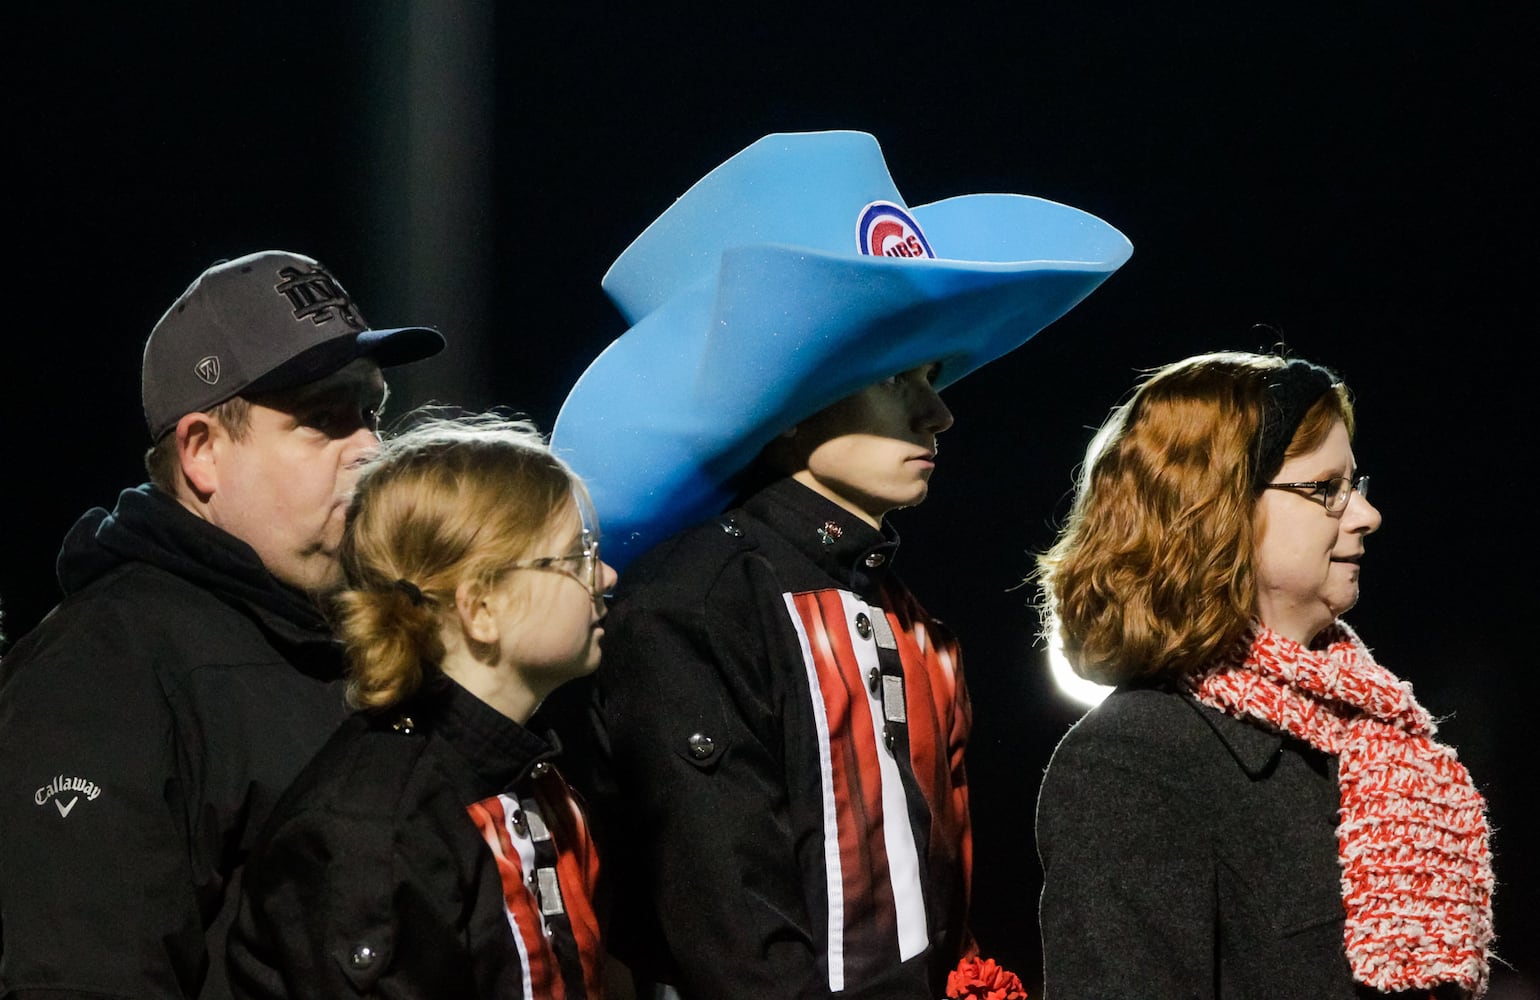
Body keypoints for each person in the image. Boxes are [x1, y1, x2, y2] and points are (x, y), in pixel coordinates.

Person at [544, 130, 1131, 999]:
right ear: (787, 407)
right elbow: (732, 940)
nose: (938, 414)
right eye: (896, 378)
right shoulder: (691, 609)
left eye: (932, 375)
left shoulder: (902, 609)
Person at [0, 251, 444, 999]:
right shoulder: (99, 669)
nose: (371, 446)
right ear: (202, 451)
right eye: (325, 418)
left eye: (371, 412)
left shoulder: (372, 631)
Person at [1032, 351, 1495, 998]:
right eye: (1328, 489)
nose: (1365, 515)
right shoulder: (1132, 760)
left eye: (1357, 486)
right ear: (1216, 507)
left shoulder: (1371, 739)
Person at [226, 414, 620, 999]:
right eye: (572, 557)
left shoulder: (530, 769)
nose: (606, 576)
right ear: (481, 608)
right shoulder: (377, 832)